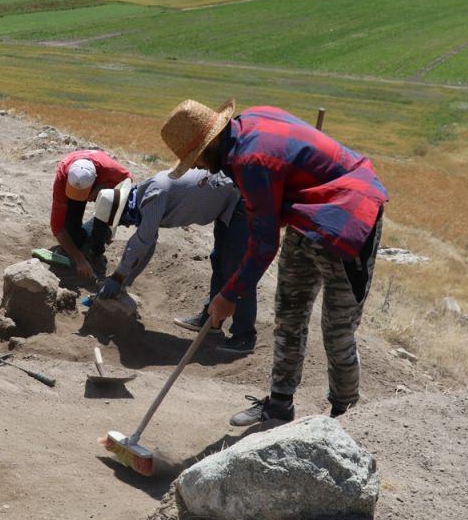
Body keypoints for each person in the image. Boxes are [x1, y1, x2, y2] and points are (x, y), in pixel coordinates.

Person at [160, 99, 388, 427]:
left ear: (210, 145)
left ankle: (345, 417)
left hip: (350, 215)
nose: (198, 167)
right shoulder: (247, 126)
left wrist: (229, 295)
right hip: (309, 211)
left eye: (197, 159)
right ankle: (280, 405)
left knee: (337, 330)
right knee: (289, 313)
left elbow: (264, 244)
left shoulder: (250, 161)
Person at [93, 168, 258, 354]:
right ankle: (211, 320)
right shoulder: (141, 195)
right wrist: (124, 281)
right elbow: (148, 243)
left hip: (239, 201)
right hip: (224, 202)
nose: (128, 225)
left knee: (235, 268)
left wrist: (117, 277)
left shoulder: (153, 195)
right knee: (219, 260)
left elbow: (142, 240)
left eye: (122, 222)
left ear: (123, 211)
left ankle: (244, 336)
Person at [50, 150, 133, 280]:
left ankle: (97, 247)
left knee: (107, 201)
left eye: (82, 194)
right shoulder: (62, 177)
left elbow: (128, 181)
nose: (80, 198)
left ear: (96, 178)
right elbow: (57, 227)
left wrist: (104, 188)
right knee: (73, 241)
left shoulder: (109, 169)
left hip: (102, 187)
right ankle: (87, 238)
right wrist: (79, 258)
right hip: (77, 187)